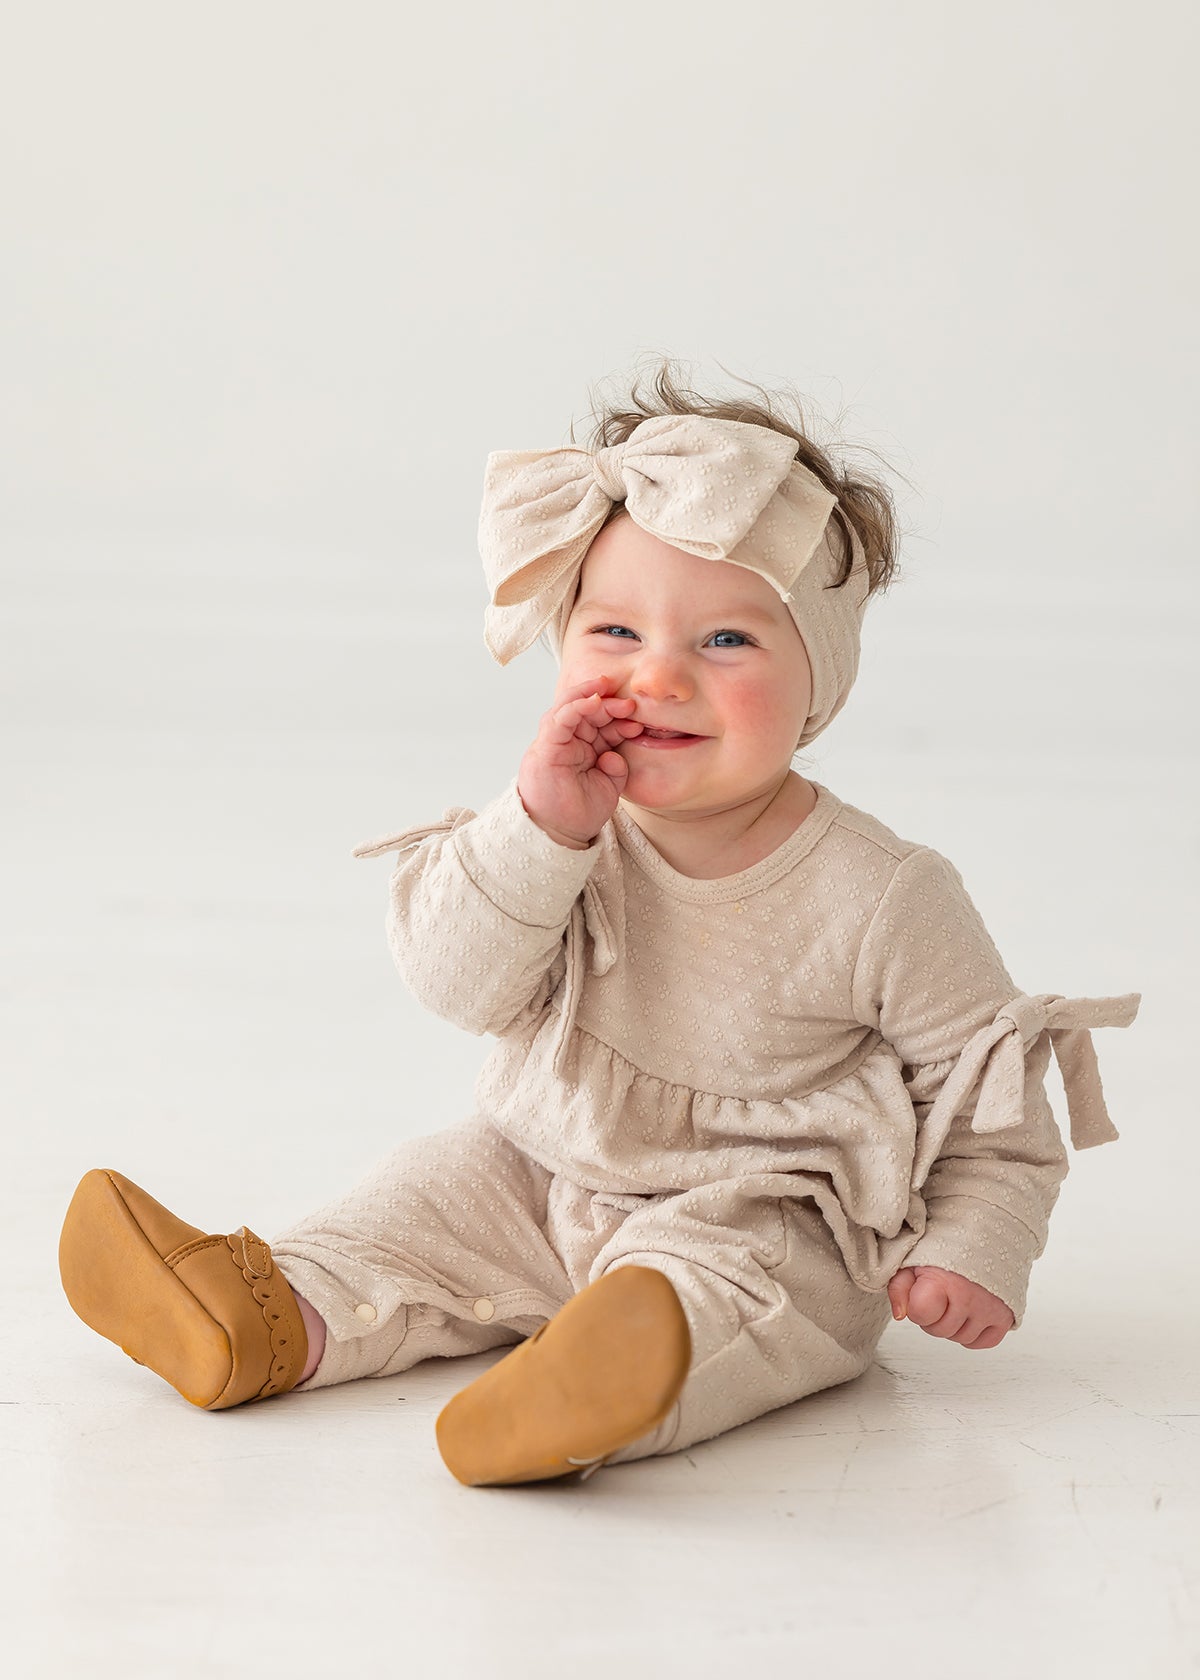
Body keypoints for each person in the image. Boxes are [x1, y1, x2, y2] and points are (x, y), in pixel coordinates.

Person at [59, 360, 1141, 1487]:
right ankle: (265, 1315)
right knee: (423, 1199)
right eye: (617, 629)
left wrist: (973, 1246)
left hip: (760, 1210)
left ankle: (600, 1385)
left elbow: (990, 1101)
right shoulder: (559, 827)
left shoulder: (885, 893)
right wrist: (540, 830)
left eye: (726, 642)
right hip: (543, 1164)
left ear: (820, 677)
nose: (658, 677)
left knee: (736, 1289)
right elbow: (457, 988)